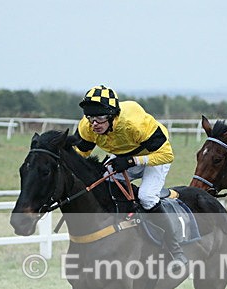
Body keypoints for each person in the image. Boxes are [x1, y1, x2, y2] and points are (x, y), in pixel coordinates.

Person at [71, 85, 188, 268]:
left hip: (154, 155)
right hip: (123, 155)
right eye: (90, 118)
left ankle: (176, 250)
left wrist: (132, 161)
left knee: (147, 197)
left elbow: (167, 155)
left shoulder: (134, 123)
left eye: (100, 118)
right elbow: (80, 156)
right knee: (103, 183)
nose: (94, 124)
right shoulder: (88, 127)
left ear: (112, 115)